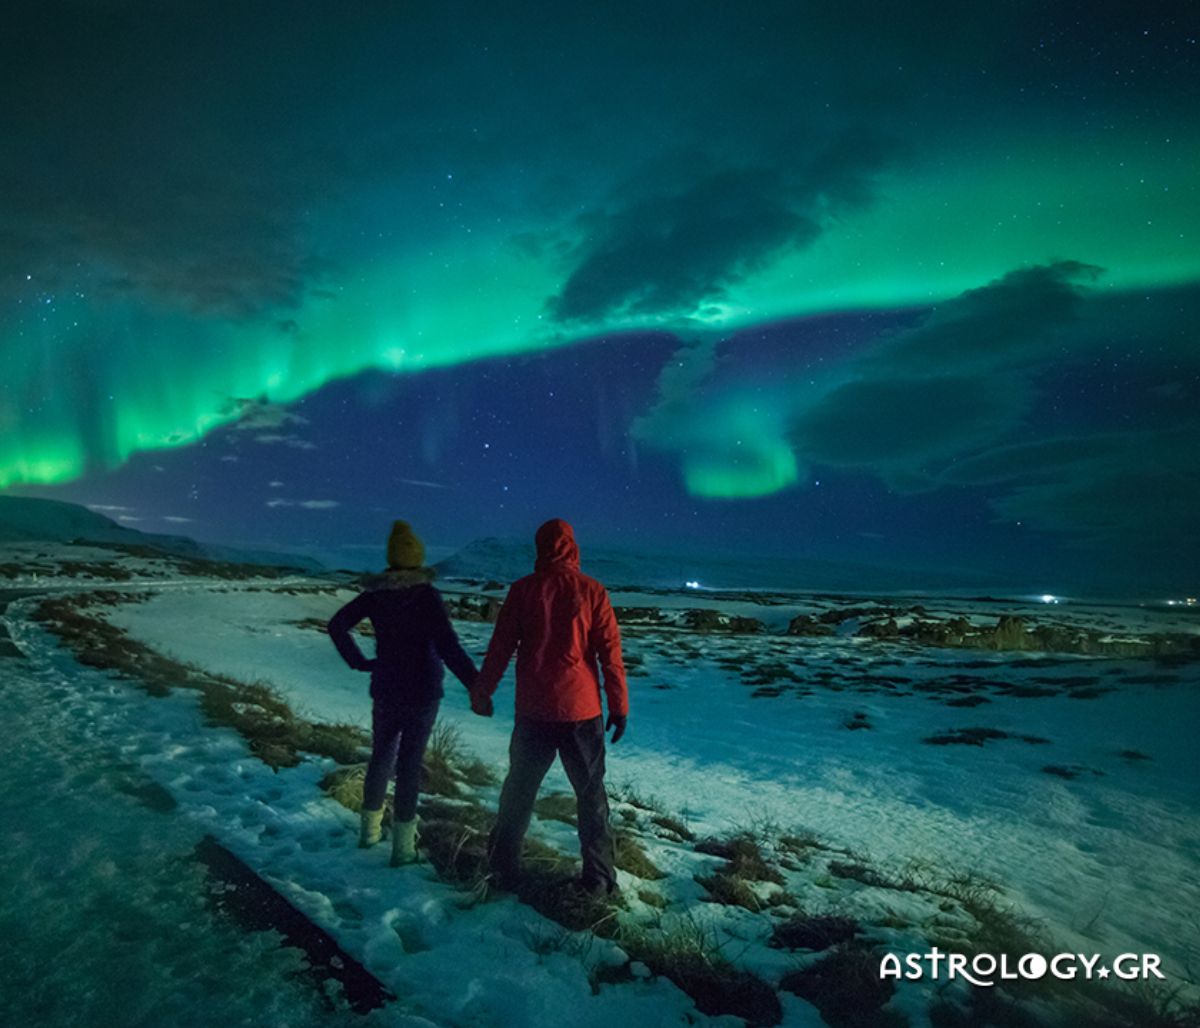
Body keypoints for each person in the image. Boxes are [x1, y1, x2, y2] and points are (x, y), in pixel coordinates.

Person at [472, 518, 629, 897]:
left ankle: (503, 869)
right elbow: (611, 655)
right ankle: (599, 880)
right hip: (580, 711)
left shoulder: (523, 591)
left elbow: (500, 648)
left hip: (534, 711)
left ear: (540, 547)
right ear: (573, 547)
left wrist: (483, 691)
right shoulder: (593, 591)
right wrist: (619, 706)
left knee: (519, 792)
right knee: (591, 797)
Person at [328, 520, 479, 866]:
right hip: (423, 689)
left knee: (381, 756)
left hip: (386, 685)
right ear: (417, 559)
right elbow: (448, 645)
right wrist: (476, 684)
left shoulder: (375, 594)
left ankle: (368, 834)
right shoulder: (426, 595)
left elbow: (336, 625)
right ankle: (403, 849)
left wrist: (359, 661)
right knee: (410, 764)